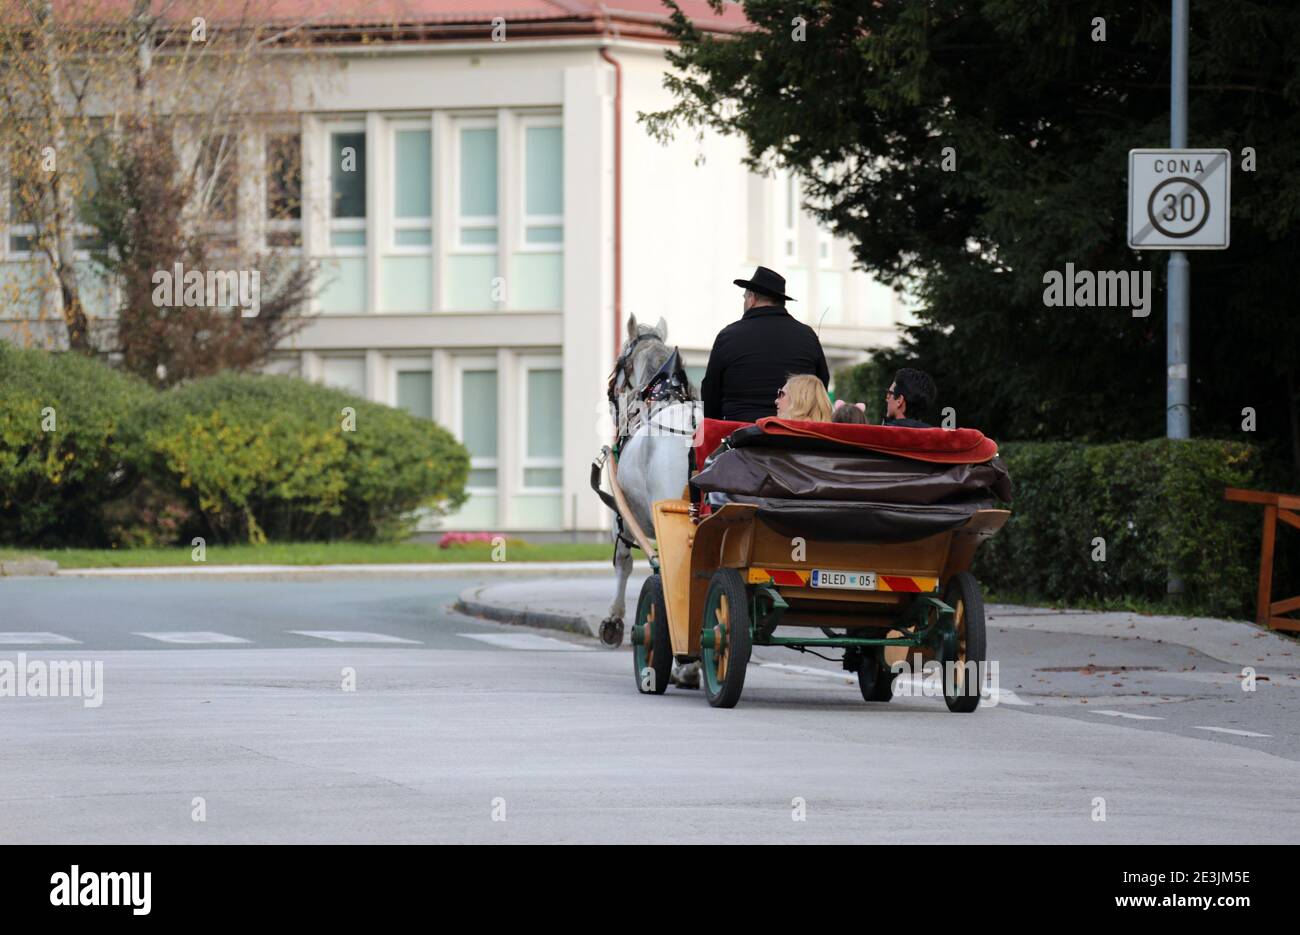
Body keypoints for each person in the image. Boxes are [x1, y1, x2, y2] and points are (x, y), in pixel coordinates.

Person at [701, 266, 830, 422]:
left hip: (738, 433)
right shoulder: (807, 336)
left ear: (752, 298)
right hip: (794, 432)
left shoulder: (728, 336)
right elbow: (821, 384)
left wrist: (717, 428)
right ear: (781, 302)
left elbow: (710, 391)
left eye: (744, 297)